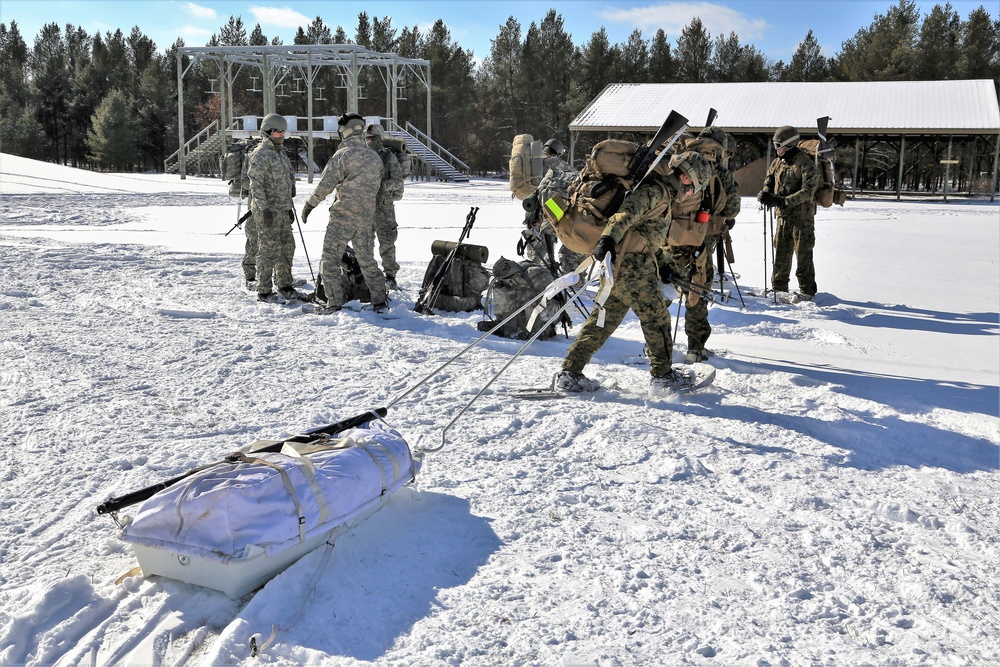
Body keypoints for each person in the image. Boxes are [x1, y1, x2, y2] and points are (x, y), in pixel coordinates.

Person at [555, 151, 709, 396]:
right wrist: (606, 239)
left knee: (601, 321)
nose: (692, 194)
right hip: (632, 268)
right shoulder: (656, 192)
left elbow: (645, 237)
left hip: (619, 266)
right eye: (695, 187)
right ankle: (663, 377)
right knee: (656, 318)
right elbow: (625, 215)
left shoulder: (663, 196)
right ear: (687, 179)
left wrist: (664, 264)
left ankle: (569, 373)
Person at [301, 112, 387, 313]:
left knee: (329, 260)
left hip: (342, 218)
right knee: (367, 261)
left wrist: (309, 205)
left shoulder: (342, 156)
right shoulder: (375, 157)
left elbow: (325, 186)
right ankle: (380, 301)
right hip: (365, 219)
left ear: (344, 132)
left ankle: (333, 302)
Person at [673, 127, 741, 363]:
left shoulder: (679, 162)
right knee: (697, 290)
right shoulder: (721, 172)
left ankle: (658, 346)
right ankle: (696, 347)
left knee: (662, 290)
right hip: (701, 241)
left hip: (670, 237)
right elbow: (732, 209)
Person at [758, 125, 820, 301]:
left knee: (803, 254)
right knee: (781, 252)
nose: (776, 148)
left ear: (790, 144)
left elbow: (808, 191)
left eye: (779, 145)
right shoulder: (778, 162)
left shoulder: (805, 163)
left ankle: (807, 291)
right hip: (782, 217)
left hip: (802, 219)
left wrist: (783, 201)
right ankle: (779, 287)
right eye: (775, 145)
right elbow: (769, 180)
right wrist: (766, 193)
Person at [247, 113, 301, 303]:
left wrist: (289, 203)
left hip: (283, 208)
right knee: (268, 249)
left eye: (283, 132)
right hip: (267, 211)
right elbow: (255, 184)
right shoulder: (261, 154)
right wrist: (264, 209)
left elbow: (289, 177)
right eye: (277, 132)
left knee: (287, 247)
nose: (281, 135)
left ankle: (285, 285)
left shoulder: (281, 153)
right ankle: (264, 290)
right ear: (267, 132)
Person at [364, 123, 405, 290]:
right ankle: (368, 275)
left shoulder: (389, 157)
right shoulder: (362, 156)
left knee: (387, 243)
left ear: (379, 139)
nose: (369, 141)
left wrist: (381, 185)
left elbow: (398, 181)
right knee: (365, 244)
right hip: (365, 207)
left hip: (384, 208)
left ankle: (390, 276)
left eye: (372, 138)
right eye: (366, 138)